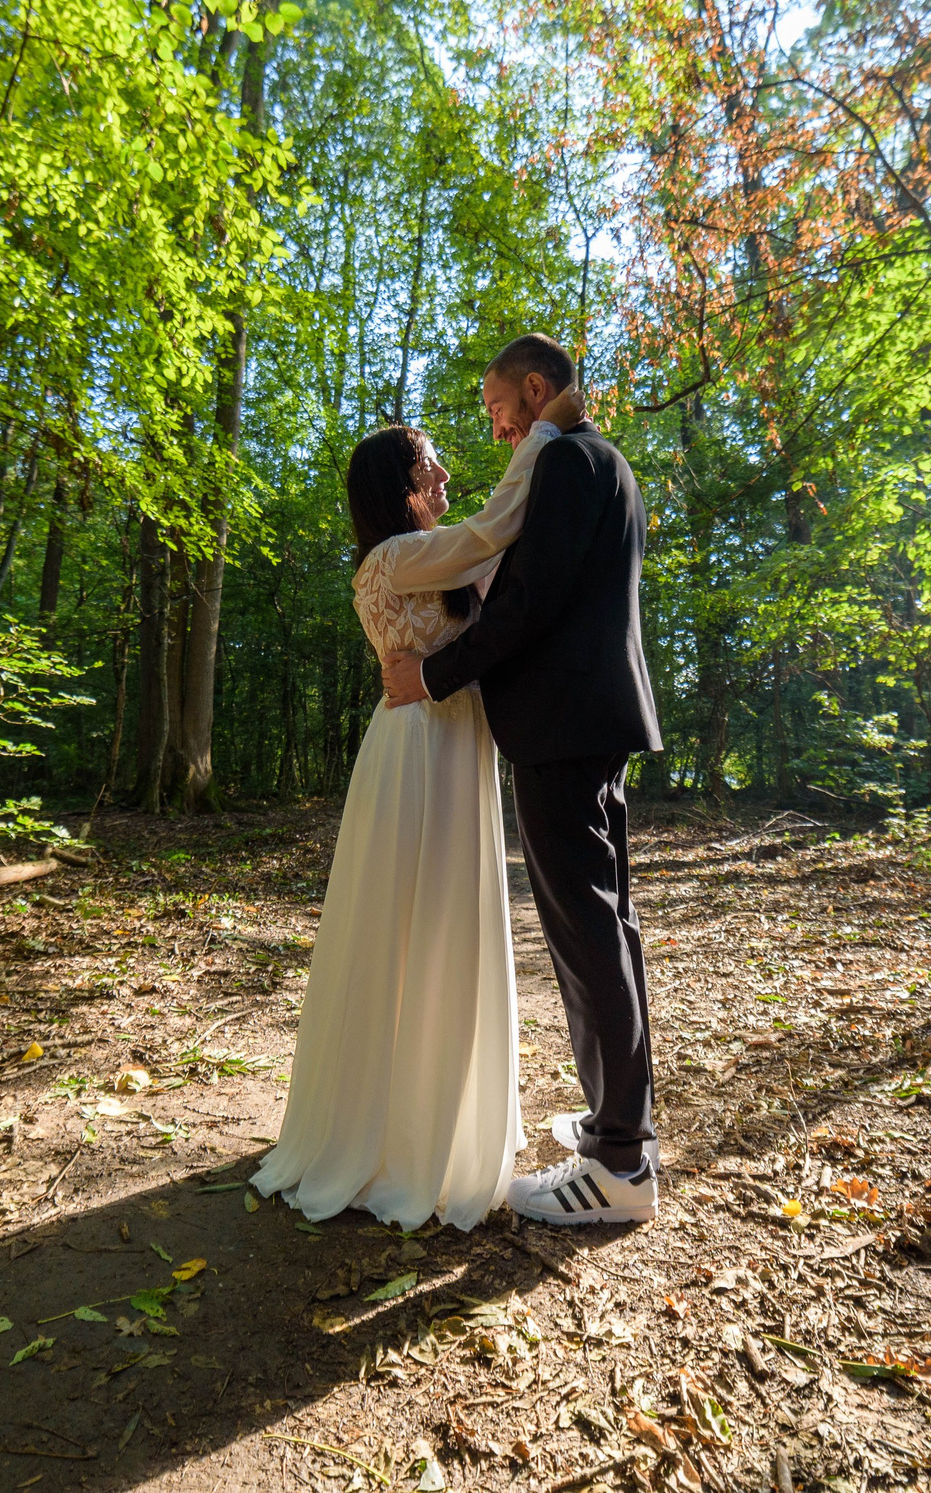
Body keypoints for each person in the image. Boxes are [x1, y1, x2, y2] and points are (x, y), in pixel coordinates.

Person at [250, 380, 587, 1230]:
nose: (445, 475)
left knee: (443, 924)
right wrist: (540, 441)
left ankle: (427, 1117)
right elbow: (491, 533)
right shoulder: (395, 560)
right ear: (401, 488)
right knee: (412, 925)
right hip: (416, 755)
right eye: (432, 466)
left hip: (449, 749)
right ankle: (389, 1135)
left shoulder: (431, 558)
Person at [381, 333, 663, 1226]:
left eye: (501, 414)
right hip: (590, 722)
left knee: (585, 931)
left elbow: (528, 604)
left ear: (535, 390)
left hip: (560, 725)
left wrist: (431, 674)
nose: (499, 434)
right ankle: (621, 1124)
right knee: (607, 922)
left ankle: (618, 1166)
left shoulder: (565, 464)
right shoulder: (603, 464)